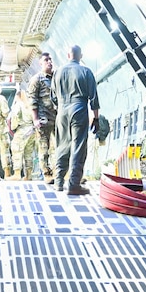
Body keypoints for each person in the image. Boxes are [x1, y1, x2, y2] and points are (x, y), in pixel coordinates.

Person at [55, 44, 100, 194]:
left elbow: (53, 97)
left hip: (62, 110)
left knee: (62, 145)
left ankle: (59, 181)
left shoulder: (58, 72)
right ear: (81, 56)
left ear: (68, 55)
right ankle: (74, 184)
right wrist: (96, 117)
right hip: (79, 108)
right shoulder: (86, 71)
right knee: (78, 147)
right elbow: (93, 97)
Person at [26, 52, 58, 181]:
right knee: (44, 148)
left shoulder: (57, 77)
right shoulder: (37, 79)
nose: (49, 62)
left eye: (50, 59)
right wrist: (35, 119)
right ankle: (47, 174)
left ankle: (60, 172)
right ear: (41, 63)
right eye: (46, 60)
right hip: (43, 118)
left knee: (61, 147)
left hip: (57, 118)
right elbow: (32, 100)